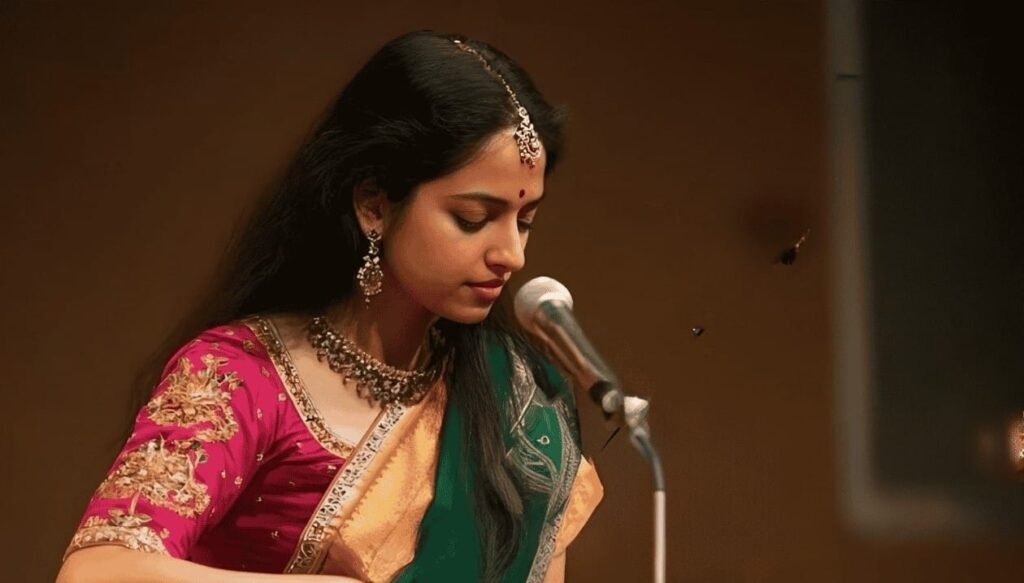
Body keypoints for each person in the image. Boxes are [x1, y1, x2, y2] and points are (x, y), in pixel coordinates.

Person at [56, 30, 603, 583]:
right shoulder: (238, 376)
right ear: (374, 205)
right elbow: (96, 573)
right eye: (472, 219)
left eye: (525, 221)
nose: (511, 254)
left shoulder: (516, 403)